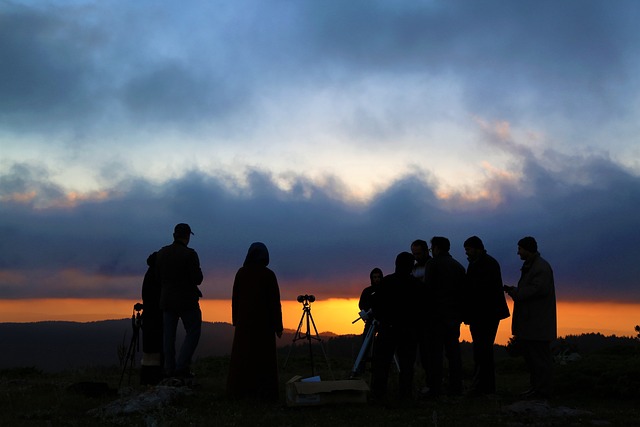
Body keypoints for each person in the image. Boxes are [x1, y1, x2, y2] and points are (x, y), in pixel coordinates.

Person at [227, 242, 283, 402]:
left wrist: (235, 319)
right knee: (264, 359)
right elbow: (275, 302)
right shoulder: (269, 275)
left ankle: (239, 391)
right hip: (264, 324)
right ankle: (265, 393)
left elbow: (235, 298)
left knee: (243, 357)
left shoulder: (241, 273)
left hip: (244, 323)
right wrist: (278, 326)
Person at [504, 236, 557, 399]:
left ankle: (542, 391)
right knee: (533, 359)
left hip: (537, 323)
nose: (518, 252)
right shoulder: (533, 266)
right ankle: (536, 388)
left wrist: (516, 292)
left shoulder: (540, 267)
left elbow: (536, 290)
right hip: (531, 322)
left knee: (539, 359)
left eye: (520, 249)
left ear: (528, 249)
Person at [463, 236, 510, 396]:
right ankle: (485, 386)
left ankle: (483, 386)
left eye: (468, 249)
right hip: (485, 314)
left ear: (477, 248)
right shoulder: (483, 263)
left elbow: (478, 291)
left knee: (482, 350)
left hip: (485, 315)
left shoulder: (484, 264)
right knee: (482, 350)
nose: (467, 253)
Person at [155, 223, 204, 379]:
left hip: (167, 300)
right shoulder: (190, 255)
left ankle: (169, 369)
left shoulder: (162, 253)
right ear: (187, 236)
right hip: (187, 300)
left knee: (168, 336)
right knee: (193, 332)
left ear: (174, 235)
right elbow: (198, 279)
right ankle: (181, 367)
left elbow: (157, 276)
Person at [370, 252, 420, 401]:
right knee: (406, 366)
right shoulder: (417, 285)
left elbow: (376, 305)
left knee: (381, 364)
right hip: (409, 330)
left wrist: (382, 320)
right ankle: (405, 395)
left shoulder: (386, 282)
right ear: (411, 266)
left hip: (388, 328)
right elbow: (421, 308)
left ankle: (378, 395)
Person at [423, 236, 466, 397]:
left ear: (436, 248)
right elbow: (463, 294)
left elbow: (427, 290)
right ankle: (456, 387)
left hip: (435, 317)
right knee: (453, 353)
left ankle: (435, 388)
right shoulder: (459, 267)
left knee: (435, 354)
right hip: (454, 316)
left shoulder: (432, 264)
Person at [410, 239, 432, 393]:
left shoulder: (433, 266)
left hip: (429, 316)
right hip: (416, 315)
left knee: (428, 352)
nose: (416, 256)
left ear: (426, 251)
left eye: (418, 253)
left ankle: (431, 384)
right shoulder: (414, 268)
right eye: (414, 254)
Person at [354, 267, 383, 374]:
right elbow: (361, 305)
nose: (376, 279)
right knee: (365, 345)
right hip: (370, 322)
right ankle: (360, 368)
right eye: (374, 277)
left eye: (378, 277)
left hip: (382, 322)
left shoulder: (385, 290)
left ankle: (379, 368)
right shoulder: (367, 291)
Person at [140, 251, 163, 385]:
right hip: (155, 316)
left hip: (148, 315)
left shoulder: (149, 273)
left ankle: (146, 377)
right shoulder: (156, 274)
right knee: (156, 346)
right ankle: (155, 377)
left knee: (148, 349)